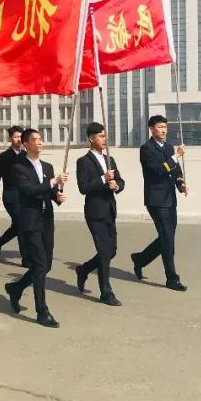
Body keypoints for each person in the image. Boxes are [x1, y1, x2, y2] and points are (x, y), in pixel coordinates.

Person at [3, 129, 67, 328]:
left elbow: (49, 191)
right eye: (35, 140)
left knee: (45, 266)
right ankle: (42, 311)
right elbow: (29, 190)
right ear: (25, 144)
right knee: (39, 265)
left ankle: (16, 288)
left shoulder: (47, 166)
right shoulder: (18, 167)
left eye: (40, 139)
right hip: (31, 221)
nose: (39, 142)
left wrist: (57, 196)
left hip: (47, 220)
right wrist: (53, 181)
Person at [130, 114, 189, 291]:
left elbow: (176, 170)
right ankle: (172, 278)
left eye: (165, 127)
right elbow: (158, 171)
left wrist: (181, 183)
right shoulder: (146, 149)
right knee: (167, 238)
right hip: (156, 200)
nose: (163, 130)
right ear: (151, 129)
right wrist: (176, 156)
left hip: (170, 198)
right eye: (160, 127)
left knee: (167, 237)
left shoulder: (169, 147)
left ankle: (140, 259)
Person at [74, 122, 125, 306]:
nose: (104, 140)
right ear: (91, 138)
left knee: (111, 251)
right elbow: (83, 187)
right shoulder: (84, 161)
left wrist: (116, 185)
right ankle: (106, 293)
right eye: (101, 136)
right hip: (95, 212)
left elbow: (120, 181)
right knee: (104, 252)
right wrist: (103, 178)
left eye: (105, 136)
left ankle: (84, 269)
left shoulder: (110, 160)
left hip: (110, 210)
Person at [0, 126, 27, 265]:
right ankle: (26, 259)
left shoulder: (27, 155)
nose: (19, 139)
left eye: (21, 137)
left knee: (18, 226)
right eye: (16, 137)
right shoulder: (4, 156)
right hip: (11, 197)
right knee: (22, 225)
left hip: (25, 197)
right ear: (10, 138)